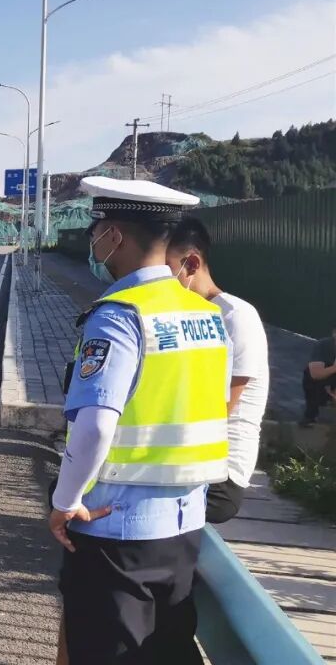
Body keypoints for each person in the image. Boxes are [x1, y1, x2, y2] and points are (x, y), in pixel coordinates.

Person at [50, 176, 230, 665]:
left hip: (116, 532)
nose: (94, 242)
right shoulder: (206, 315)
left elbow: (95, 426)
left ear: (114, 236)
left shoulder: (119, 315)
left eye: (96, 231)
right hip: (185, 527)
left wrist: (65, 502)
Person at [167, 216, 270, 522]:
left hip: (220, 476)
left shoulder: (236, 317)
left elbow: (219, 411)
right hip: (185, 459)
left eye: (165, 269)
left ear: (192, 264)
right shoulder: (182, 314)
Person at [302, 326, 336, 426]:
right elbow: (315, 374)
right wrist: (334, 368)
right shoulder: (325, 345)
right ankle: (311, 416)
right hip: (321, 387)